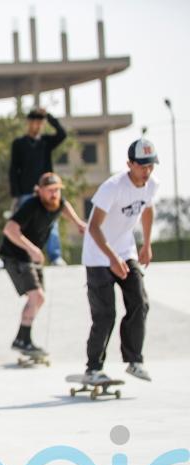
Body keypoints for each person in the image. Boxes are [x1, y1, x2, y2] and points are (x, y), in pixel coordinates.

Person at [80, 138, 160, 384]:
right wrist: (111, 258)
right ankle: (93, 368)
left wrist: (146, 244)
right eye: (142, 166)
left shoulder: (151, 185)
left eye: (150, 166)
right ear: (129, 164)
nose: (146, 172)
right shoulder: (112, 187)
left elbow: (147, 209)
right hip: (98, 255)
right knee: (105, 314)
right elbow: (93, 227)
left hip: (126, 251)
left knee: (140, 301)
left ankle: (134, 360)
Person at [0, 173, 86, 356]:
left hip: (30, 258)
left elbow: (64, 206)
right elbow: (9, 229)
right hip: (15, 256)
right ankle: (23, 340)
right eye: (49, 191)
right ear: (39, 191)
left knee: (38, 299)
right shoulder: (31, 205)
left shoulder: (57, 202)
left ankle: (22, 339)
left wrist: (78, 222)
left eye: (56, 190)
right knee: (36, 296)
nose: (54, 195)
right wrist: (32, 249)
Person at [9, 108, 67, 265]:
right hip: (27, 190)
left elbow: (62, 134)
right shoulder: (19, 144)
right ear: (29, 123)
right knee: (26, 224)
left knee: (51, 222)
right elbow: (14, 169)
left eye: (40, 122)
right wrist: (16, 193)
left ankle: (55, 257)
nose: (37, 125)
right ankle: (27, 255)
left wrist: (49, 116)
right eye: (35, 122)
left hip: (47, 189)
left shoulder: (46, 142)